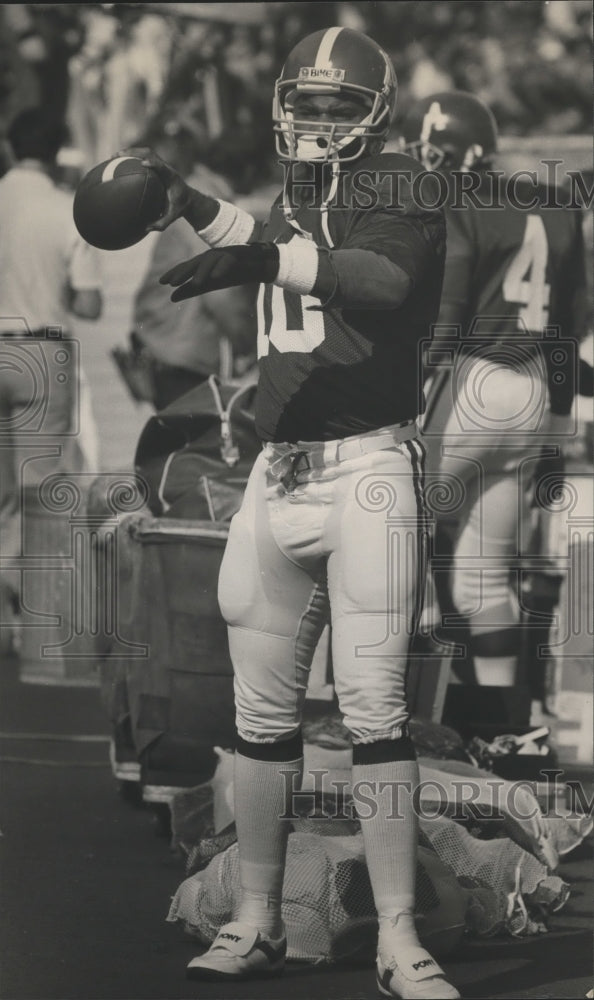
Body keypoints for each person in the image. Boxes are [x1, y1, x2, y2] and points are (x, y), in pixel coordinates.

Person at [125, 27, 459, 999]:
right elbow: (271, 248)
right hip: (281, 472)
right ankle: (257, 915)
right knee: (260, 718)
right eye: (304, 104)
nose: (316, 121)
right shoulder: (295, 196)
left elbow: (383, 281)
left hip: (366, 471)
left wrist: (263, 255)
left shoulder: (399, 182)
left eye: (334, 105)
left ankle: (399, 934)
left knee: (375, 713)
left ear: (376, 113)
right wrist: (189, 206)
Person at [399, 92, 586, 700]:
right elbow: (571, 323)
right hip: (532, 390)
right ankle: (506, 719)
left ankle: (405, 711)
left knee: (395, 527)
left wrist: (406, 387)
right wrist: (558, 419)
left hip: (471, 386)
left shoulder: (455, 201)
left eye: (428, 153)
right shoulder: (553, 204)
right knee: (484, 580)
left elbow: (448, 317)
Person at [0, 108, 102, 622]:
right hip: (41, 351)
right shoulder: (67, 210)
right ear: (58, 153)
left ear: (10, 148)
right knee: (39, 485)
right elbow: (88, 304)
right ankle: (34, 614)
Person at [124, 129, 256, 411]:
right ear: (246, 171)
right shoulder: (205, 204)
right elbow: (221, 293)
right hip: (179, 355)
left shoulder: (192, 191)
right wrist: (251, 344)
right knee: (194, 449)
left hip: (164, 346)